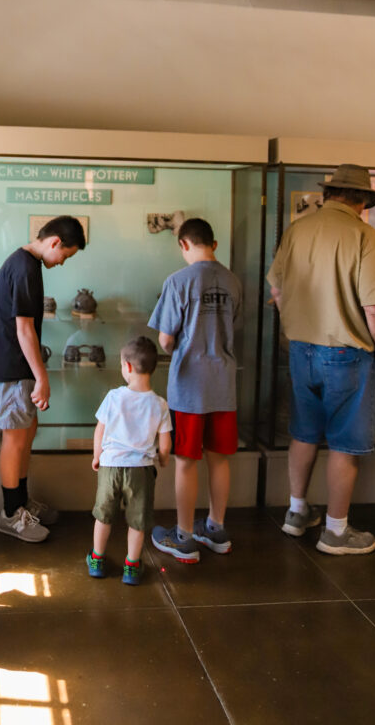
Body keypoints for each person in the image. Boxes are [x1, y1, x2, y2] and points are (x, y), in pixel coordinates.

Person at [267, 164, 375, 556]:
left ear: (329, 194)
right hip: (347, 353)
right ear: (363, 200)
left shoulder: (297, 230)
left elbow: (277, 289)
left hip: (300, 348)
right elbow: (374, 308)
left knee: (304, 432)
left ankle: (297, 512)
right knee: (345, 443)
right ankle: (336, 531)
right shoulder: (365, 236)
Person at [0, 215, 86, 541]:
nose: (62, 262)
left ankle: (21, 502)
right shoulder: (24, 267)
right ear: (55, 242)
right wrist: (42, 377)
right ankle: (11, 514)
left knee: (26, 433)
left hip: (18, 367)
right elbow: (23, 329)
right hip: (13, 368)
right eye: (65, 255)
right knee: (15, 438)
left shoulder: (26, 263)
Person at [148, 218, 242, 564]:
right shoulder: (232, 280)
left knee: (187, 460)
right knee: (220, 458)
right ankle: (216, 529)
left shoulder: (177, 281)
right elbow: (232, 327)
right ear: (213, 243)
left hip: (189, 386)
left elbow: (166, 338)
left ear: (183, 244)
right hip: (224, 382)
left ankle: (185, 537)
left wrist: (175, 344)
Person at [87, 336, 172, 584]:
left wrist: (96, 456)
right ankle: (132, 567)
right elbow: (165, 441)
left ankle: (97, 559)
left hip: (110, 466)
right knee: (138, 520)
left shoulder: (114, 397)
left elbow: (100, 430)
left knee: (103, 515)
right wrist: (163, 459)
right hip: (141, 470)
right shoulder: (160, 404)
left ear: (128, 367)